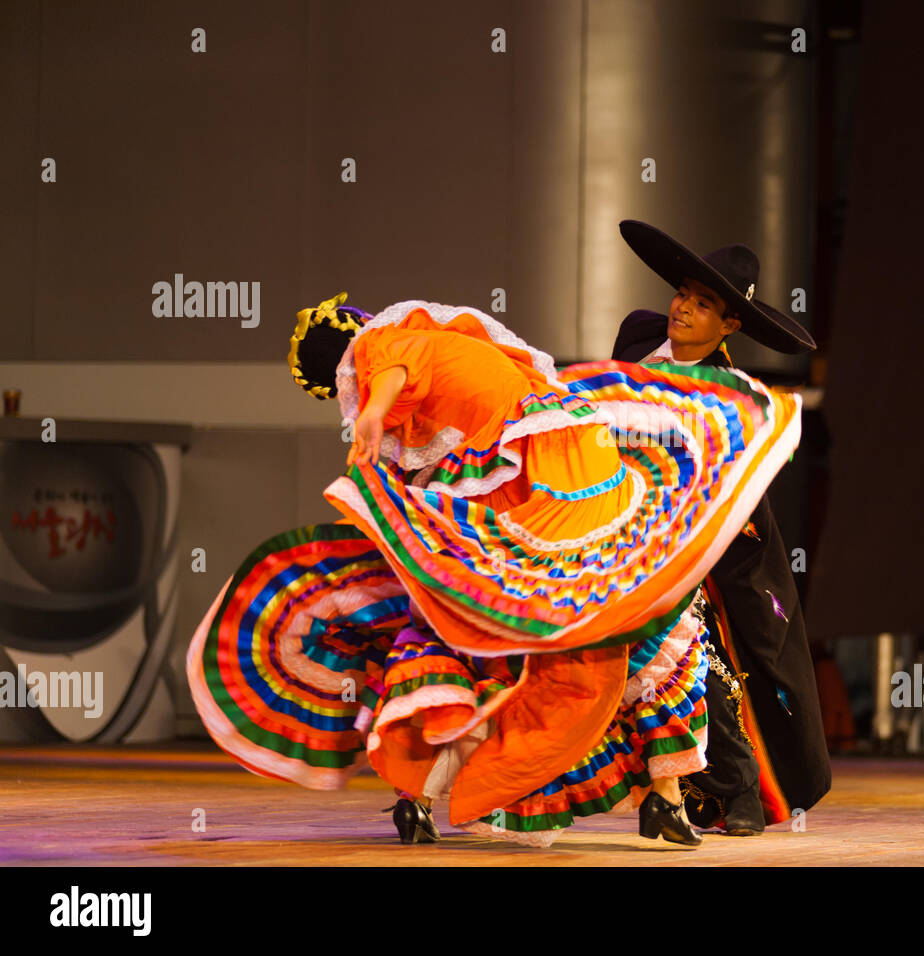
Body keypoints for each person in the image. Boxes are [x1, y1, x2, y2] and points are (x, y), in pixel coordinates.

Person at [187, 291, 802, 848]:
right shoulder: (409, 358)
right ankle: (663, 798)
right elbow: (408, 379)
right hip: (555, 470)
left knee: (477, 634)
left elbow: (396, 372)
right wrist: (378, 414)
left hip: (532, 469)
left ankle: (418, 796)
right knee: (630, 621)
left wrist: (374, 413)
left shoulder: (391, 357)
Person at [611, 220, 832, 834]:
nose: (682, 307)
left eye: (703, 304)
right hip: (623, 531)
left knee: (702, 658)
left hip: (710, 542)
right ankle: (659, 790)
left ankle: (737, 791)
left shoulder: (734, 394)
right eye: (684, 293)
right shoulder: (637, 343)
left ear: (729, 326)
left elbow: (733, 482)